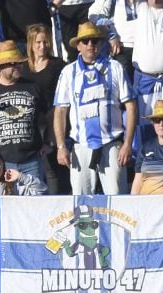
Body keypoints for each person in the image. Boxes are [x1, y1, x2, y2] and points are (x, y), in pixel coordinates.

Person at [54, 22, 137, 195]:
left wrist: (128, 143)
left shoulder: (115, 68)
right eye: (85, 41)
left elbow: (131, 106)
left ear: (101, 43)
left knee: (116, 199)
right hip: (81, 145)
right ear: (78, 45)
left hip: (112, 143)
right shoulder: (68, 72)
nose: (90, 45)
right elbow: (60, 111)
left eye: (94, 41)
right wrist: (61, 146)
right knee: (81, 201)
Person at [0, 41, 48, 186]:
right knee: (5, 204)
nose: (18, 66)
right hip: (0, 163)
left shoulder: (33, 88)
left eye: (19, 63)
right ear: (0, 67)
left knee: (36, 203)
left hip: (32, 159)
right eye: (13, 64)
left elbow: (49, 116)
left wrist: (49, 141)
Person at [22, 23, 69, 194]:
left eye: (45, 42)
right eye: (38, 43)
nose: (43, 46)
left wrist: (52, 139)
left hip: (52, 121)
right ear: (31, 44)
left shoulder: (58, 65)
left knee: (53, 171)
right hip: (30, 123)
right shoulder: (22, 67)